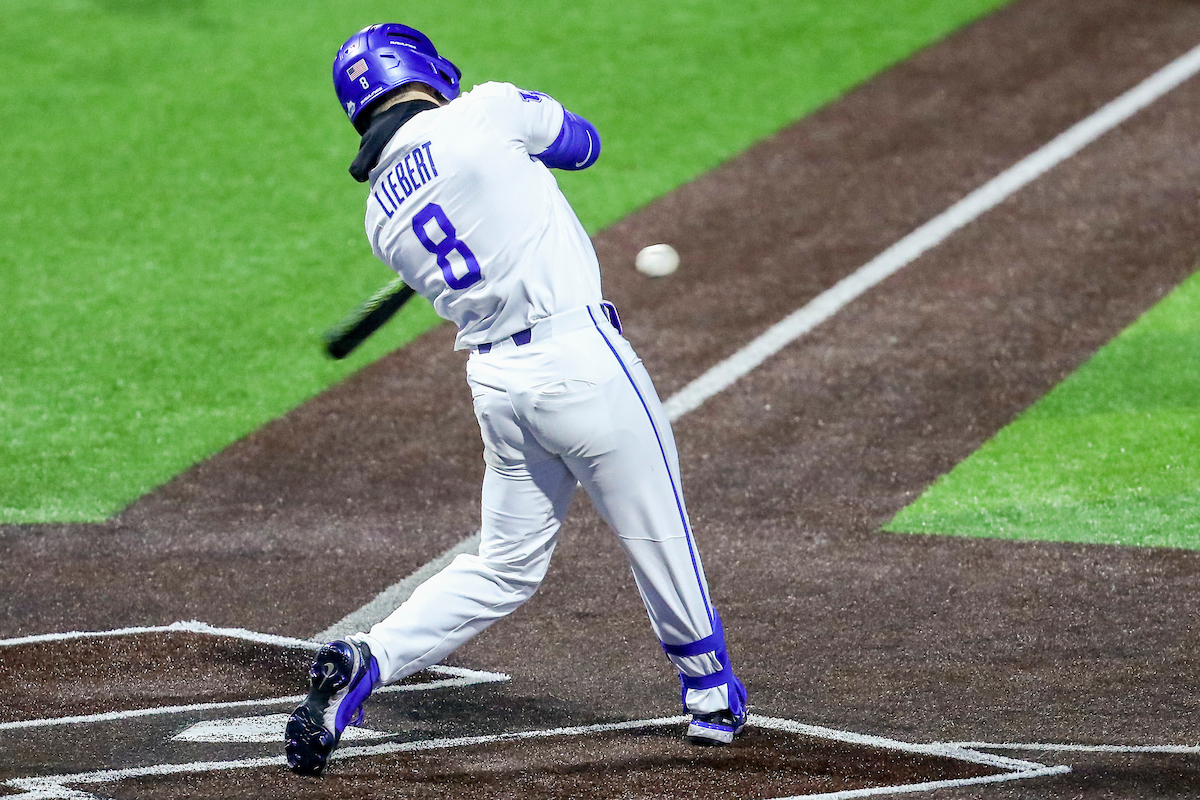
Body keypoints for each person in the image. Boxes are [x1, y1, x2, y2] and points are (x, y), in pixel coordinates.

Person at [285, 23, 748, 777]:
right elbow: (584, 143)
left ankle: (367, 658)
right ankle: (710, 695)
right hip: (581, 362)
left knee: (503, 565)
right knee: (655, 525)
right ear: (424, 68)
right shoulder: (485, 112)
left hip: (499, 389)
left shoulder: (380, 219)